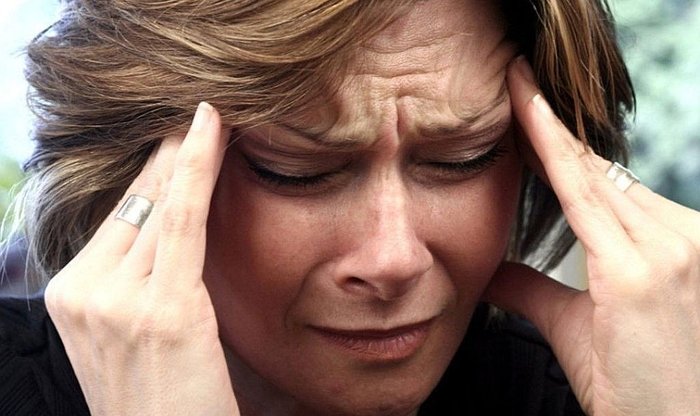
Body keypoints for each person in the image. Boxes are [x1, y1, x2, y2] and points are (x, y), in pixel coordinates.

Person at [1, 0, 698, 414]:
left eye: (462, 159)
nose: (393, 259)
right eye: (297, 172)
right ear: (133, 173)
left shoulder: (584, 392)